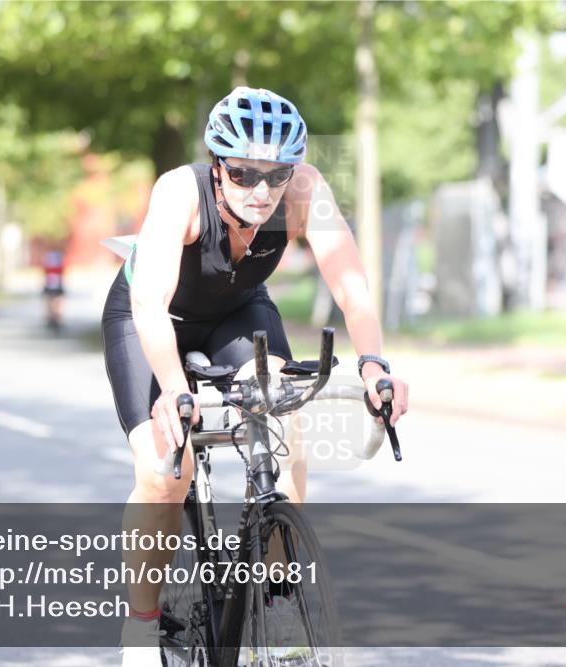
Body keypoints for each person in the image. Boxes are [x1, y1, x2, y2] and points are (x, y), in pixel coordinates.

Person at [101, 86, 409, 665]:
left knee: (281, 429)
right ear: (217, 166)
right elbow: (149, 303)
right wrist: (174, 388)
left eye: (276, 175)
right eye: (243, 174)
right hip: (150, 318)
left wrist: (373, 364)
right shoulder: (179, 192)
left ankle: (276, 603)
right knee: (166, 470)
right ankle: (140, 628)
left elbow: (351, 283)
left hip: (236, 313)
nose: (262, 191)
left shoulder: (306, 190)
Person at [42, 248, 65, 331]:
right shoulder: (57, 258)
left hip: (54, 284)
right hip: (53, 284)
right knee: (54, 301)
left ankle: (55, 317)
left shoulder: (50, 259)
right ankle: (54, 317)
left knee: (54, 301)